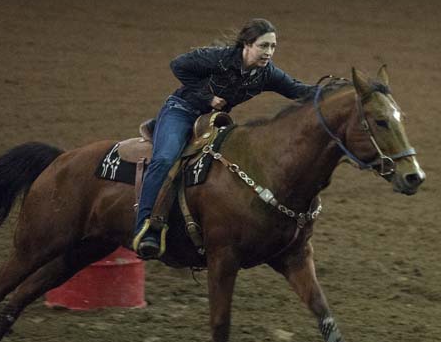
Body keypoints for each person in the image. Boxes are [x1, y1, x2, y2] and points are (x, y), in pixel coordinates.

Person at [133, 18, 315, 259]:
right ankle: (145, 226)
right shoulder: (218, 58)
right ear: (246, 45)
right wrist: (207, 97)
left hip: (212, 122)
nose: (269, 52)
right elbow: (178, 65)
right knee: (165, 159)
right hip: (181, 111)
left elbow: (298, 89)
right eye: (263, 46)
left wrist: (335, 92)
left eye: (272, 47)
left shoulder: (266, 73)